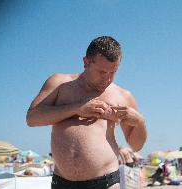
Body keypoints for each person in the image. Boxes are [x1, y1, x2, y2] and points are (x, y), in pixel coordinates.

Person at [26, 36, 147, 189]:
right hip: (62, 181)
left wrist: (140, 122)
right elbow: (32, 118)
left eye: (113, 72)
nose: (108, 78)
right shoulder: (60, 84)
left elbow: (136, 146)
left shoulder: (123, 96)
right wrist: (76, 108)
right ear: (86, 62)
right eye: (102, 72)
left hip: (106, 181)